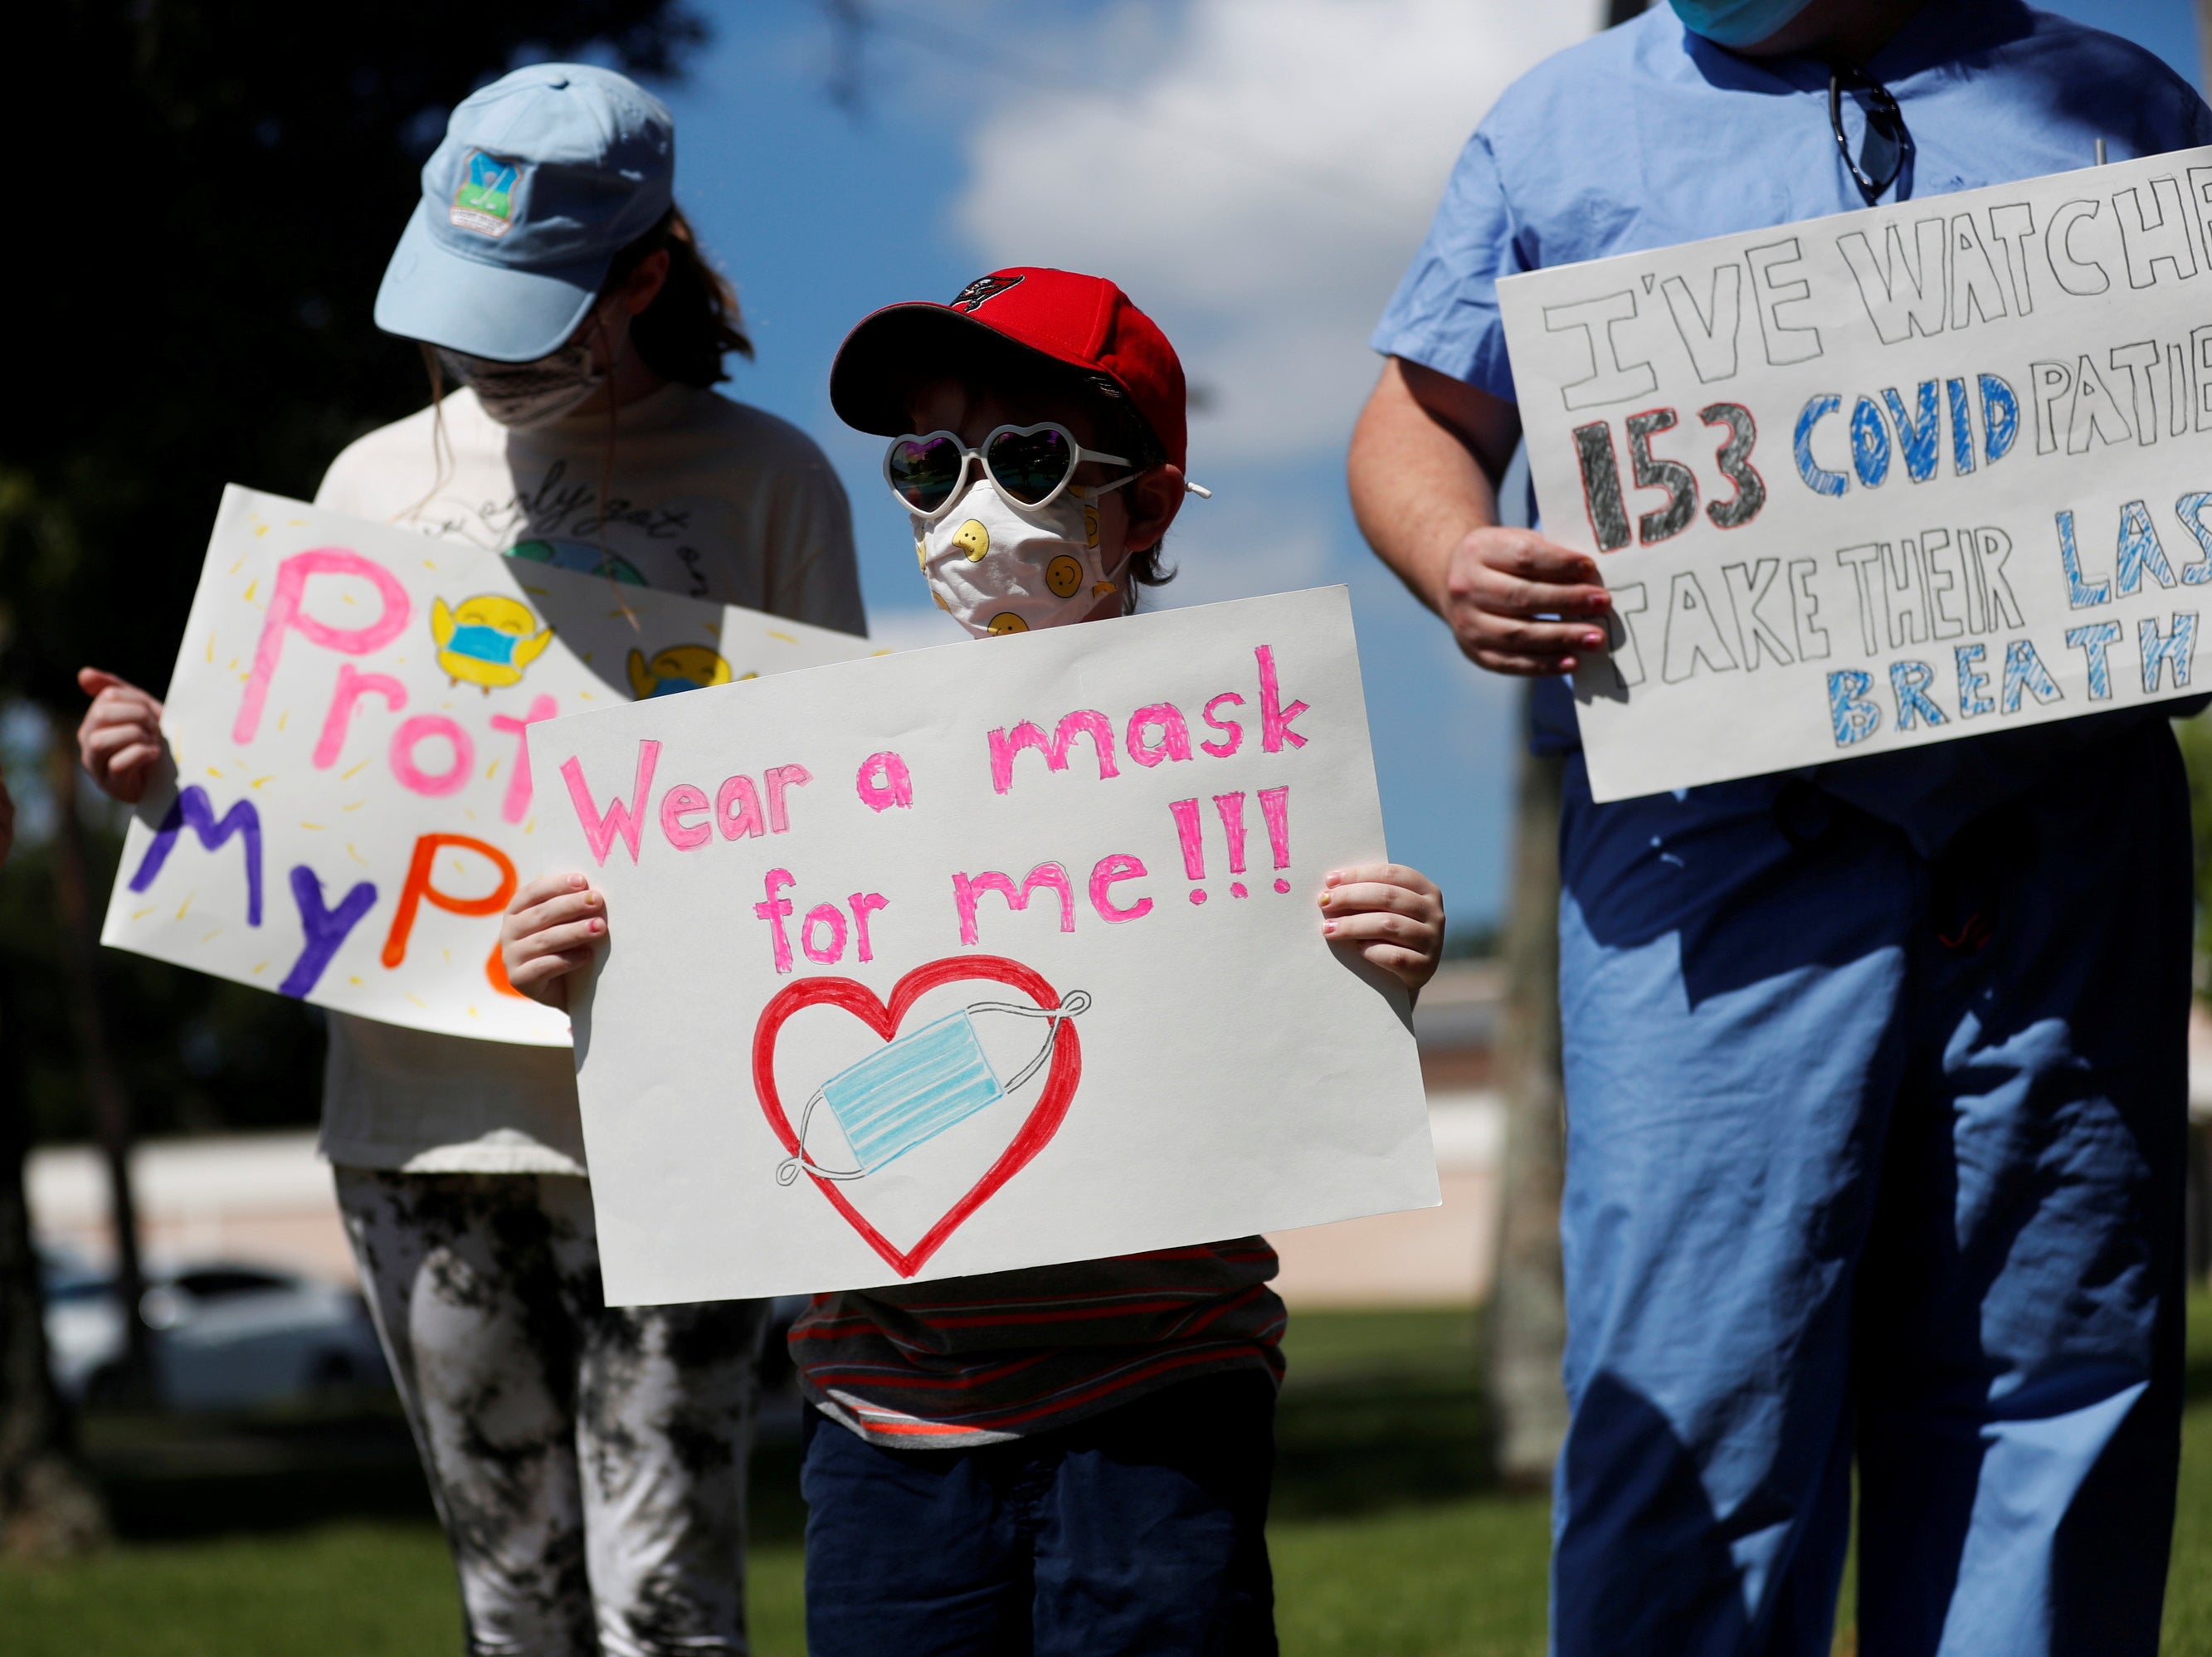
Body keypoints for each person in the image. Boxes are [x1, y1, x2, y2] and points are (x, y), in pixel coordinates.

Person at [1347, 2, 2212, 1653]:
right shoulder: (1558, 127)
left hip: (2058, 844)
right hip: (1704, 857)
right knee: (1694, 1391)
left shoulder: (2121, 105)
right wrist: (1452, 553)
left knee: (2051, 1381)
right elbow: (1417, 423)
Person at [502, 266, 1447, 1656]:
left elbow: (1290, 1027)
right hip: (883, 1416)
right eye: (931, 464)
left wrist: (1389, 943)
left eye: (1024, 456)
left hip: (1162, 1397)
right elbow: (710, 1044)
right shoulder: (790, 774)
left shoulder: (1245, 770)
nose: (969, 507)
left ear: (1146, 500)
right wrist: (579, 963)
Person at [76, 64, 863, 1657]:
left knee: (666, 1599)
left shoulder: (769, 481)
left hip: (672, 1130)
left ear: (642, 276)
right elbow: (286, 812)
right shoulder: (370, 481)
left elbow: (837, 816)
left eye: (530, 312)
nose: (483, 355)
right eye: (461, 307)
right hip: (412, 1129)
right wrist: (162, 785)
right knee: (509, 1600)